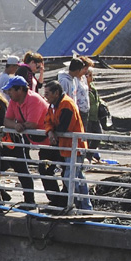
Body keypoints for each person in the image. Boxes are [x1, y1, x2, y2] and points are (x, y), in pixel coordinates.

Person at [41, 80, 91, 210]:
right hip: (66, 147)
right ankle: (82, 206)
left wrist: (52, 131)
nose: (45, 96)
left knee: (72, 176)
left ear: (56, 93)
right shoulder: (53, 105)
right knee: (75, 177)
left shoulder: (66, 105)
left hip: (75, 146)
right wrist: (50, 131)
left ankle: (82, 206)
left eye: (47, 93)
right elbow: (47, 121)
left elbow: (63, 127)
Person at [2, 75, 49, 207]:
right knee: (23, 167)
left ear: (20, 90)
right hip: (33, 139)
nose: (9, 93)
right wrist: (16, 125)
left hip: (49, 140)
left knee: (46, 170)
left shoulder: (34, 99)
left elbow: (32, 123)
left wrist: (17, 124)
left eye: (10, 90)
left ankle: (57, 201)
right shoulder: (14, 101)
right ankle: (31, 200)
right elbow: (6, 121)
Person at [58, 57, 89, 122]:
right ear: (78, 70)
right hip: (67, 112)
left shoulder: (73, 79)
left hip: (73, 110)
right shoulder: (65, 81)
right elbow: (62, 98)